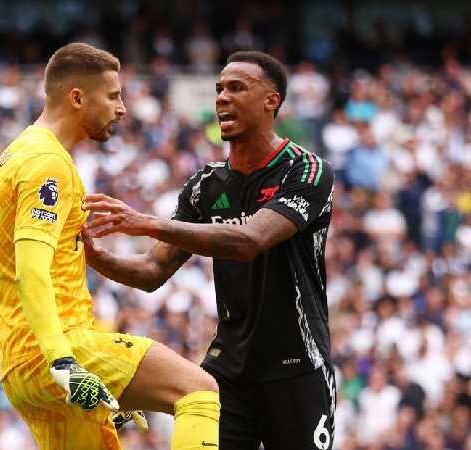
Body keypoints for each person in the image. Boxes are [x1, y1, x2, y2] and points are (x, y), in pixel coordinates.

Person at [82, 51, 336, 450]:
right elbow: (152, 271)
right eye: (219, 89)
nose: (221, 98)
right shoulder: (205, 185)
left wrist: (146, 222)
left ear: (271, 101)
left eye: (236, 88)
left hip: (297, 364)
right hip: (229, 369)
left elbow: (250, 240)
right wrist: (97, 258)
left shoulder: (306, 170)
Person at [0, 42, 220, 450]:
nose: (122, 108)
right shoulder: (47, 163)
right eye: (113, 96)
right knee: (198, 391)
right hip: (54, 351)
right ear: (77, 98)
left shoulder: (15, 155)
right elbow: (31, 270)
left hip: (21, 364)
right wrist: (65, 363)